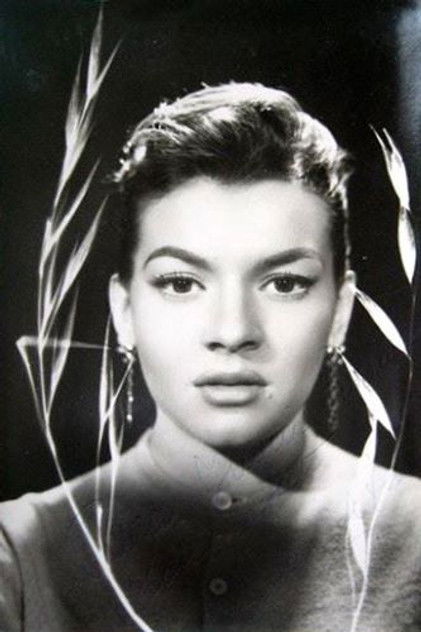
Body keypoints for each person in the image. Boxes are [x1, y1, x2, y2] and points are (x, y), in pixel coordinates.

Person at [1, 82, 421, 632]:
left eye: (284, 283)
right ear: (125, 311)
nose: (232, 331)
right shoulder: (20, 552)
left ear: (340, 311)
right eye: (181, 283)